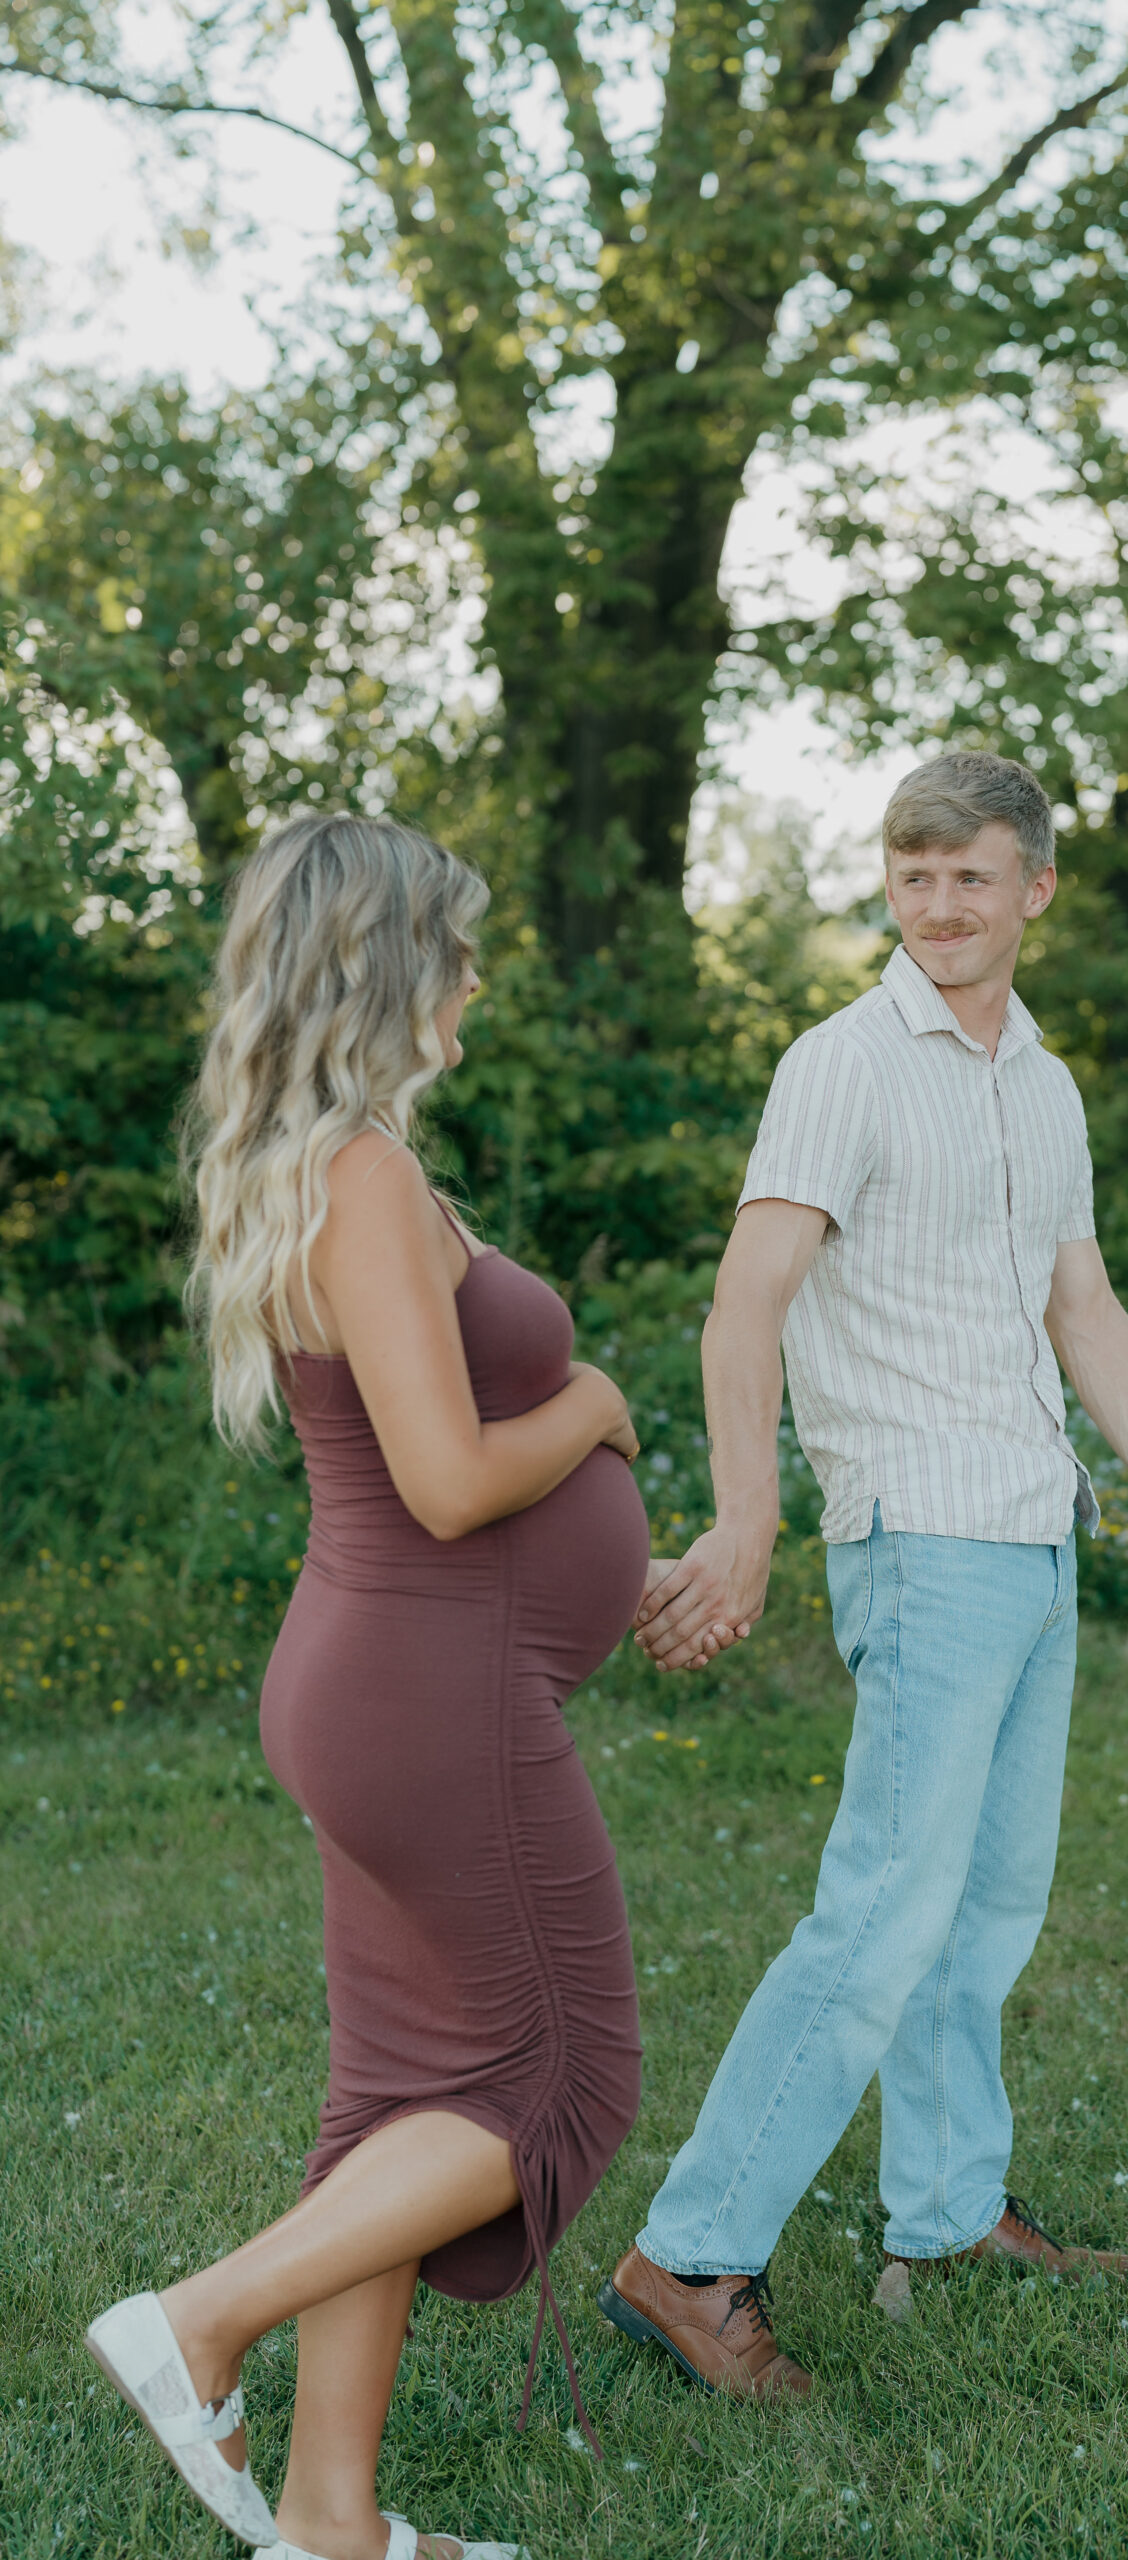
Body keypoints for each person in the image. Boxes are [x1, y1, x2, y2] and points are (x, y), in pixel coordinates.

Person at [599, 750, 1128, 2395]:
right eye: (912, 876)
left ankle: (947, 2210)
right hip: (919, 1538)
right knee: (880, 1918)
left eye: (970, 875)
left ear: (1035, 886)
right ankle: (691, 2258)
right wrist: (746, 1516)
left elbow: (1084, 1309)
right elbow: (744, 1303)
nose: (939, 906)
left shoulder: (1040, 1082)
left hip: (1038, 1530)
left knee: (983, 1915)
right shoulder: (841, 1067)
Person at [85, 813, 654, 2560]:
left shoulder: (322, 1166)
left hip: (378, 1685)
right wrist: (604, 1406)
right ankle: (198, 2320)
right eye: (458, 948)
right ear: (386, 966)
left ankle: (330, 2528)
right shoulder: (365, 1178)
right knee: (559, 2080)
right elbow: (454, 1479)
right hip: (434, 1704)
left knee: (404, 2097)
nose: (478, 975)